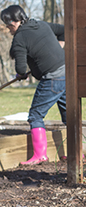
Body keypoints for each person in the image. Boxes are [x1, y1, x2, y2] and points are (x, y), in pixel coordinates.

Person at [1, 5, 66, 164]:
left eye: (8, 24)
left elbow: (21, 69)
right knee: (69, 116)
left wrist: (20, 75)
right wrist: (60, 47)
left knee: (35, 116)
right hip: (67, 74)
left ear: (15, 21)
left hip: (53, 78)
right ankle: (75, 152)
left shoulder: (19, 39)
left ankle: (40, 155)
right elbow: (64, 30)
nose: (7, 28)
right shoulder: (41, 24)